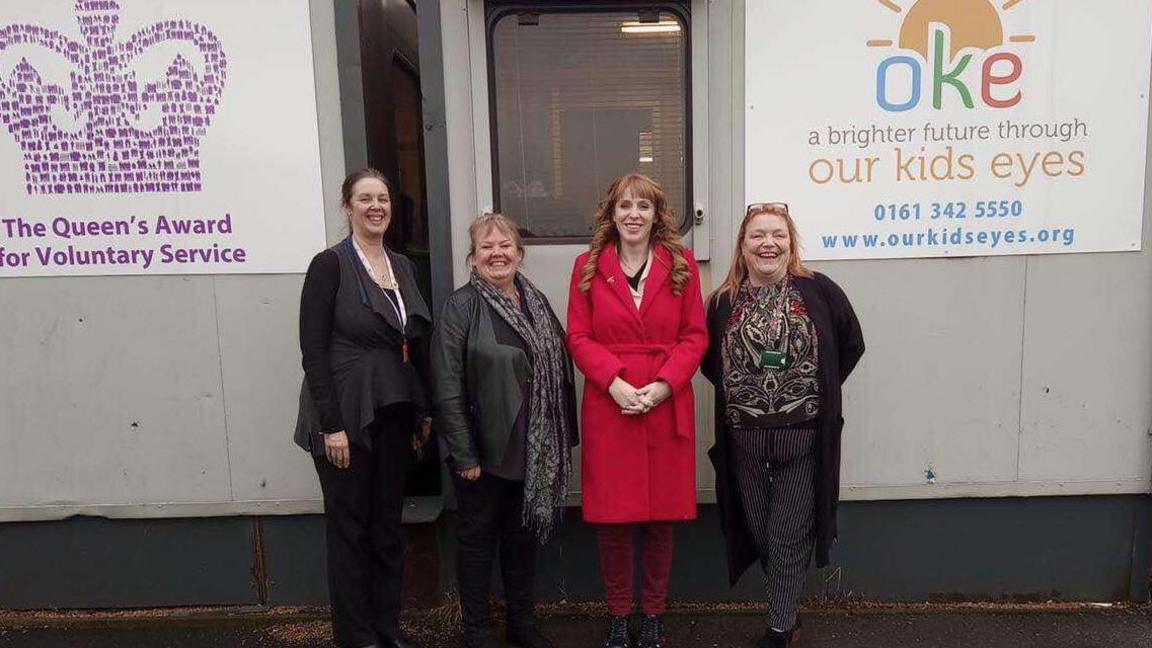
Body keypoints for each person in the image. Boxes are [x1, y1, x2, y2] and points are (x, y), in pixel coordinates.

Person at [702, 203, 864, 648]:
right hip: (745, 443)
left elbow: (850, 344)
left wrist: (817, 387)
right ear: (743, 245)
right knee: (758, 530)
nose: (768, 243)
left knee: (789, 534)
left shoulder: (820, 291)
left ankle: (779, 628)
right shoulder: (722, 302)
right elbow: (709, 363)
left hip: (805, 439)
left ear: (790, 242)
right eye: (757, 235)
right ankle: (786, 609)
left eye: (777, 234)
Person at [566, 173, 707, 648]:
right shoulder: (587, 266)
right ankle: (619, 614)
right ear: (611, 213)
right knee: (613, 521)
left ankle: (652, 614)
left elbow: (696, 336)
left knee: (659, 519)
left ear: (656, 215)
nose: (632, 215)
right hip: (612, 406)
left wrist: (666, 385)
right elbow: (579, 337)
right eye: (624, 206)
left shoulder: (682, 264)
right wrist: (614, 383)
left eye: (642, 207)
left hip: (665, 403)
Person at [294, 168, 433, 648]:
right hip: (344, 414)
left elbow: (412, 341)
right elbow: (313, 350)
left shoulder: (402, 265)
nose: (377, 206)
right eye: (366, 198)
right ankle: (355, 637)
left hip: (393, 408)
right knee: (350, 531)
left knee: (386, 528)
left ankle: (385, 627)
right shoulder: (329, 265)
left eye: (384, 199)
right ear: (347, 206)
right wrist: (332, 425)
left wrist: (421, 411)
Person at [432, 213, 578, 648]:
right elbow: (446, 384)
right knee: (477, 543)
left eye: (504, 246)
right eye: (486, 248)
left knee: (521, 540)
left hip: (532, 450)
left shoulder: (535, 300)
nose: (497, 254)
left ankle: (522, 624)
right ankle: (477, 629)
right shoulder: (461, 307)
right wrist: (464, 453)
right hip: (485, 450)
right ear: (472, 258)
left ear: (519, 253)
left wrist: (561, 435)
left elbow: (558, 369)